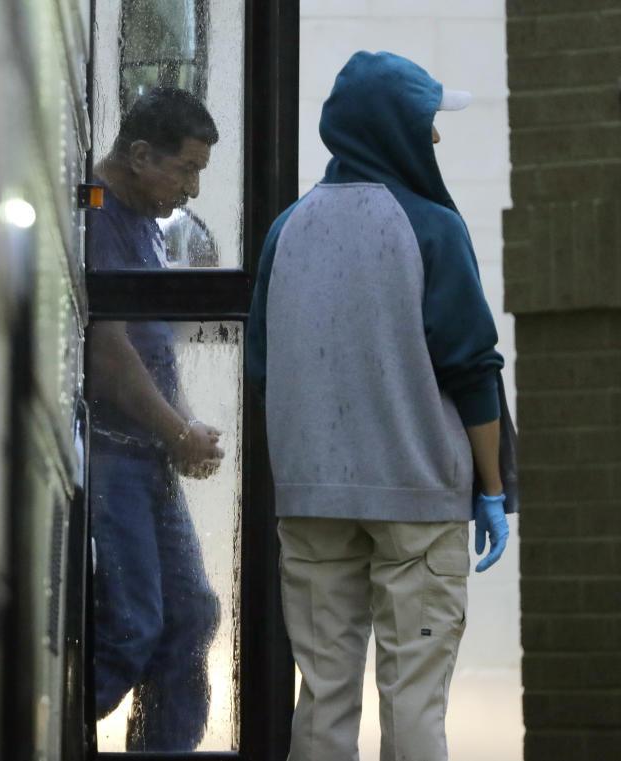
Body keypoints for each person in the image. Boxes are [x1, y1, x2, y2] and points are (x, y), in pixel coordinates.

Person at [246, 51, 518, 761]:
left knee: (325, 698)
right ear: (393, 128)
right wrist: (491, 489)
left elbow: (262, 366)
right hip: (419, 502)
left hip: (310, 503)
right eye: (427, 122)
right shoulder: (432, 227)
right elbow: (474, 372)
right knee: (414, 700)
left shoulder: (286, 229)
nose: (434, 138)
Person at [86, 87, 224, 751]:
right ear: (140, 155)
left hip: (148, 455)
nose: (192, 189)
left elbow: (150, 348)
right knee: (131, 626)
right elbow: (110, 354)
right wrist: (177, 432)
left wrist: (184, 430)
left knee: (190, 613)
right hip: (114, 457)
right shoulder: (98, 213)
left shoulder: (144, 216)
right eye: (186, 169)